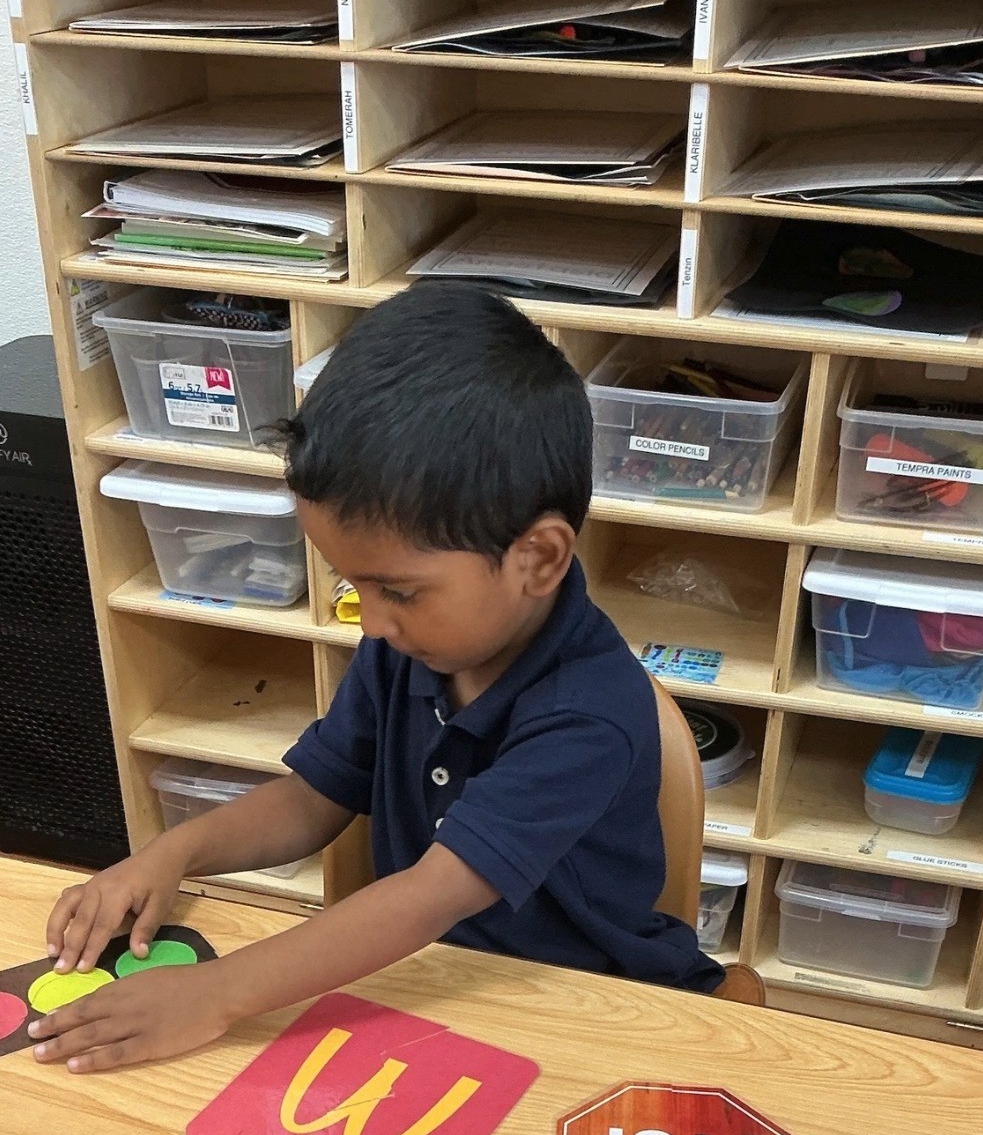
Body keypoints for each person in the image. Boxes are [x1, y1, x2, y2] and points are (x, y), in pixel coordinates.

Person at [32, 284, 754, 1075]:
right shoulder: (413, 647)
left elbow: (431, 894)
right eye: (355, 585)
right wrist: (171, 854)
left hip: (588, 1006)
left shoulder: (590, 710)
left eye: (398, 590)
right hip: (437, 986)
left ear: (539, 559)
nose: (370, 622)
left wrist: (216, 994)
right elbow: (313, 799)